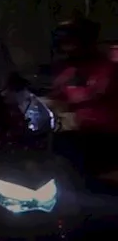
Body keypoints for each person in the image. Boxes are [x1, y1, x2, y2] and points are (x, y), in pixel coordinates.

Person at [51, 16, 118, 186]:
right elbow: (57, 92)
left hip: (102, 134)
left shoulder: (106, 68)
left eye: (71, 43)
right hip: (80, 131)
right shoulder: (71, 69)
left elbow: (94, 93)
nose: (68, 49)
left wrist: (69, 110)